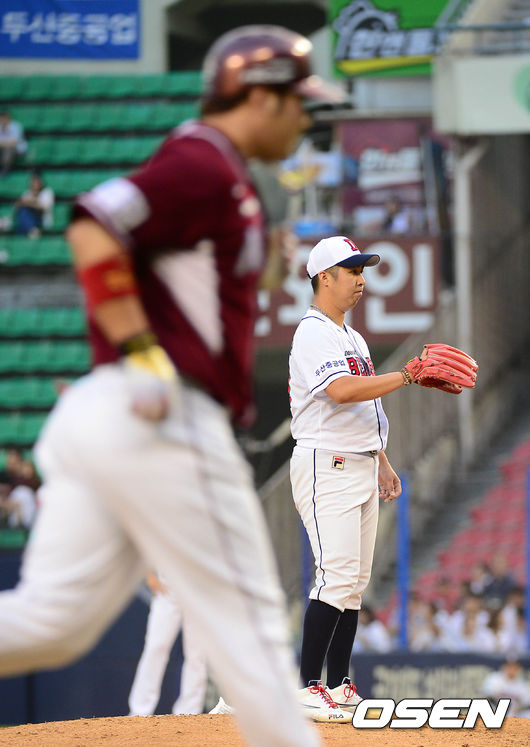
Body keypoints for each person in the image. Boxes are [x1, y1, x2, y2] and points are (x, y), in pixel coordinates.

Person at [0, 25, 345, 747]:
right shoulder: (202, 160)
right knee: (252, 632)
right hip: (162, 410)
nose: (304, 119)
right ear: (259, 97)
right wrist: (142, 351)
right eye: (297, 102)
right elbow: (94, 224)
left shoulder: (228, 175)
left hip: (108, 414)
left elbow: (201, 275)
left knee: (48, 624)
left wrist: (268, 261)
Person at [288, 235, 448, 720]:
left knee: (354, 583)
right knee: (335, 575)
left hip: (358, 459)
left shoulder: (352, 338)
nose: (360, 279)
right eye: (352, 270)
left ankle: (339, 685)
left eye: (363, 270)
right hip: (326, 462)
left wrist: (381, 459)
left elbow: (364, 406)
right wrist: (407, 375)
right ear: (324, 278)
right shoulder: (312, 332)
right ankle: (306, 686)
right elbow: (340, 392)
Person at [128, 572, 208, 716]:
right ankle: (140, 711)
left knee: (197, 655)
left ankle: (190, 713)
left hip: (199, 588)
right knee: (155, 648)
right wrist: (149, 576)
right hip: (168, 586)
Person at [14, 171, 55, 237]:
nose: (35, 184)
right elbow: (17, 205)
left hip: (42, 220)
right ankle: (32, 230)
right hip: (28, 219)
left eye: (37, 181)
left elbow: (43, 207)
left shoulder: (47, 192)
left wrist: (28, 203)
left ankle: (31, 231)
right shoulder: (27, 193)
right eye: (33, 181)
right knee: (23, 212)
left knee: (24, 212)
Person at [0, 110, 27, 176]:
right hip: (3, 149)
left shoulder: (15, 126)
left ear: (8, 118)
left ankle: (6, 168)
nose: (3, 120)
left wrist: (3, 144)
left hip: (18, 150)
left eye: (5, 118)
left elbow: (14, 142)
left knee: (9, 148)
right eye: (2, 118)